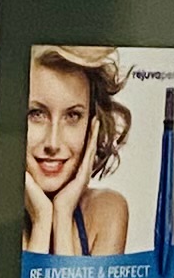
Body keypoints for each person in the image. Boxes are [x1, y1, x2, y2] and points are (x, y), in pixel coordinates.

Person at [22, 46, 133, 255]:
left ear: (93, 125)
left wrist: (63, 215)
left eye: (72, 116)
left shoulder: (106, 211)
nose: (53, 143)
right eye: (36, 114)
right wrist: (41, 220)